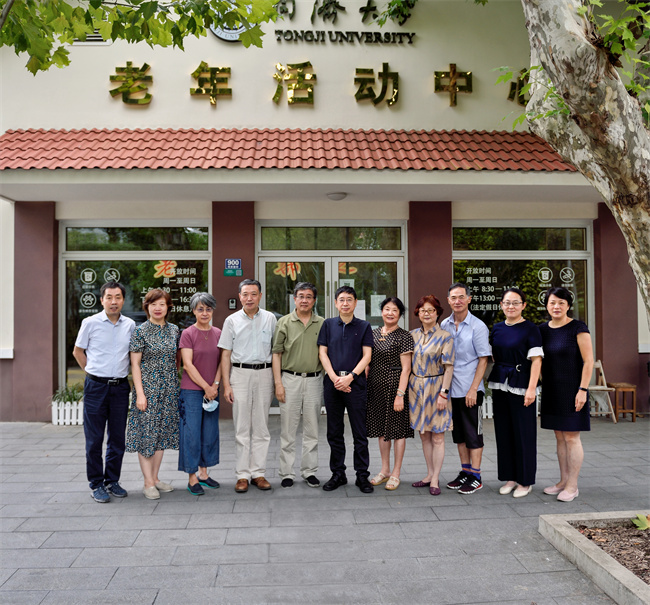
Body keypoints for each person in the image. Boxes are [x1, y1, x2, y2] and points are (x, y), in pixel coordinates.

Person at [73, 281, 135, 503]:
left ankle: (112, 481)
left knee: (117, 438)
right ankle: (96, 484)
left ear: (123, 300)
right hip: (96, 387)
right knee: (94, 439)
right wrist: (91, 372)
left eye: (118, 297)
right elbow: (78, 351)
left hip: (120, 387)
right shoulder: (90, 323)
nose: (113, 301)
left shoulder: (130, 325)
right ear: (102, 300)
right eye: (109, 297)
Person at [219, 279, 277, 493]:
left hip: (264, 373)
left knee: (261, 427)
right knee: (241, 427)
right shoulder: (231, 320)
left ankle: (258, 473)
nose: (249, 298)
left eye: (253, 294)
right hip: (240, 374)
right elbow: (225, 354)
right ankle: (242, 475)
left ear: (260, 296)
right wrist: (226, 384)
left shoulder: (270, 318)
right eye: (245, 294)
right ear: (240, 296)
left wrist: (277, 381)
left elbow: (276, 352)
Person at [539, 286, 594, 502]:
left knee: (571, 437)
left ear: (568, 305)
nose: (556, 306)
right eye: (552, 302)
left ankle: (573, 486)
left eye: (561, 303)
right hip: (552, 390)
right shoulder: (542, 330)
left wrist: (583, 390)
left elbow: (588, 361)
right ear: (546, 305)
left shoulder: (578, 328)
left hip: (573, 390)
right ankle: (563, 481)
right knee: (559, 436)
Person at [487, 287, 543, 499]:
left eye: (515, 302)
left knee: (523, 434)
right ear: (501, 305)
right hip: (500, 383)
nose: (511, 306)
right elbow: (492, 355)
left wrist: (531, 388)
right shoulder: (497, 328)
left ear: (523, 305)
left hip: (522, 385)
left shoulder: (531, 329)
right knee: (504, 433)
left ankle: (525, 481)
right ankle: (509, 477)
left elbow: (536, 360)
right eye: (507, 303)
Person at [317, 286, 374, 493]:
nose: (345, 303)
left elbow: (367, 356)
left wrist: (350, 378)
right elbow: (323, 353)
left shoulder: (364, 326)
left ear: (355, 303)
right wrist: (334, 378)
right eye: (341, 299)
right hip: (332, 384)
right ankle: (338, 474)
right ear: (335, 303)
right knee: (334, 432)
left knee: (360, 432)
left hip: (355, 384)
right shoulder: (328, 324)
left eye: (349, 299)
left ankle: (362, 475)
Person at [126, 288, 181, 500]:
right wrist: (140, 394)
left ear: (168, 307)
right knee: (146, 435)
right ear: (147, 307)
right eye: (153, 304)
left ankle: (156, 478)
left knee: (161, 435)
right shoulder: (140, 331)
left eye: (162, 304)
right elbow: (135, 364)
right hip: (148, 390)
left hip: (168, 390)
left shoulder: (174, 330)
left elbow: (176, 359)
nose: (158, 308)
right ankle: (147, 482)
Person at [272, 282, 325, 489]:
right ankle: (286, 472)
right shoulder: (284, 322)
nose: (304, 300)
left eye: (309, 297)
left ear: (314, 300)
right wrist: (278, 383)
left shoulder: (322, 323)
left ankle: (309, 471)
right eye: (301, 296)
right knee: (288, 429)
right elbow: (276, 354)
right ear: (294, 299)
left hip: (314, 380)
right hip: (289, 379)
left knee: (312, 429)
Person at [441, 283, 491, 495]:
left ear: (469, 299)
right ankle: (465, 472)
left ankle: (476, 476)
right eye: (453, 298)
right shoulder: (444, 324)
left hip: (471, 389)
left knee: (473, 434)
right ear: (448, 300)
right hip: (452, 389)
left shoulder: (478, 326)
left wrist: (473, 389)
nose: (457, 301)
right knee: (459, 435)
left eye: (461, 297)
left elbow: (483, 359)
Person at [408, 295, 455, 496]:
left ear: (437, 313)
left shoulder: (446, 336)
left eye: (431, 310)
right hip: (416, 388)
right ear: (418, 313)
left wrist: (444, 393)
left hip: (437, 388)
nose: (426, 314)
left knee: (437, 435)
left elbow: (449, 367)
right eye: (423, 310)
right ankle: (428, 474)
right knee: (423, 434)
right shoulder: (412, 336)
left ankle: (435, 478)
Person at [366, 297, 414, 491]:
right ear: (381, 312)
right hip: (376, 387)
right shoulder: (373, 333)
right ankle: (384, 469)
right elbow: (368, 361)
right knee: (381, 430)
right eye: (387, 309)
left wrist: (400, 394)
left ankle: (396, 472)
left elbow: (406, 369)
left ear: (400, 314)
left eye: (394, 310)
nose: (390, 313)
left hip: (395, 387)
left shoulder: (404, 336)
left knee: (398, 431)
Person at [179, 292, 222, 496]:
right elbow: (187, 365)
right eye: (200, 309)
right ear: (194, 311)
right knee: (192, 434)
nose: (204, 313)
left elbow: (223, 361)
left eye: (208, 309)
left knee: (209, 432)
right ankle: (192, 477)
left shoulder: (218, 333)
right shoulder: (188, 334)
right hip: (192, 391)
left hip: (212, 390)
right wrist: (206, 387)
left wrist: (215, 385)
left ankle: (204, 474)